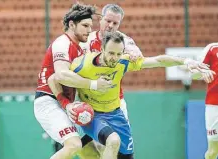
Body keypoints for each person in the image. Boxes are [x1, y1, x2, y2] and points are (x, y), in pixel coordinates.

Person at [48, 32, 211, 159]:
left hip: (116, 114)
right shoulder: (82, 64)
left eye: (118, 54)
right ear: (102, 49)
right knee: (113, 141)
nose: (114, 58)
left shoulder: (123, 62)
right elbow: (53, 78)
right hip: (93, 115)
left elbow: (159, 61)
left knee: (126, 155)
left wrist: (186, 62)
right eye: (111, 53)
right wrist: (66, 104)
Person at [34, 4, 111, 159]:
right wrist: (94, 84)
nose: (89, 30)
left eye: (90, 26)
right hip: (49, 102)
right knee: (74, 144)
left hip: (66, 105)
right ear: (71, 24)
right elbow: (59, 76)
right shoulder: (62, 43)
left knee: (94, 152)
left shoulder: (80, 48)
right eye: (85, 25)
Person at [80, 4, 143, 121]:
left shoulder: (123, 40)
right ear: (100, 19)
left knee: (122, 139)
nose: (110, 26)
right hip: (87, 100)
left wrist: (134, 54)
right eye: (108, 21)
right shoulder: (87, 40)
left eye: (115, 23)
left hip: (115, 101)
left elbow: (137, 54)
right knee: (84, 138)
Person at [194, 43, 218, 159]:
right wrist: (202, 72)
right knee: (213, 151)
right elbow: (194, 73)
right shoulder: (212, 49)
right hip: (214, 105)